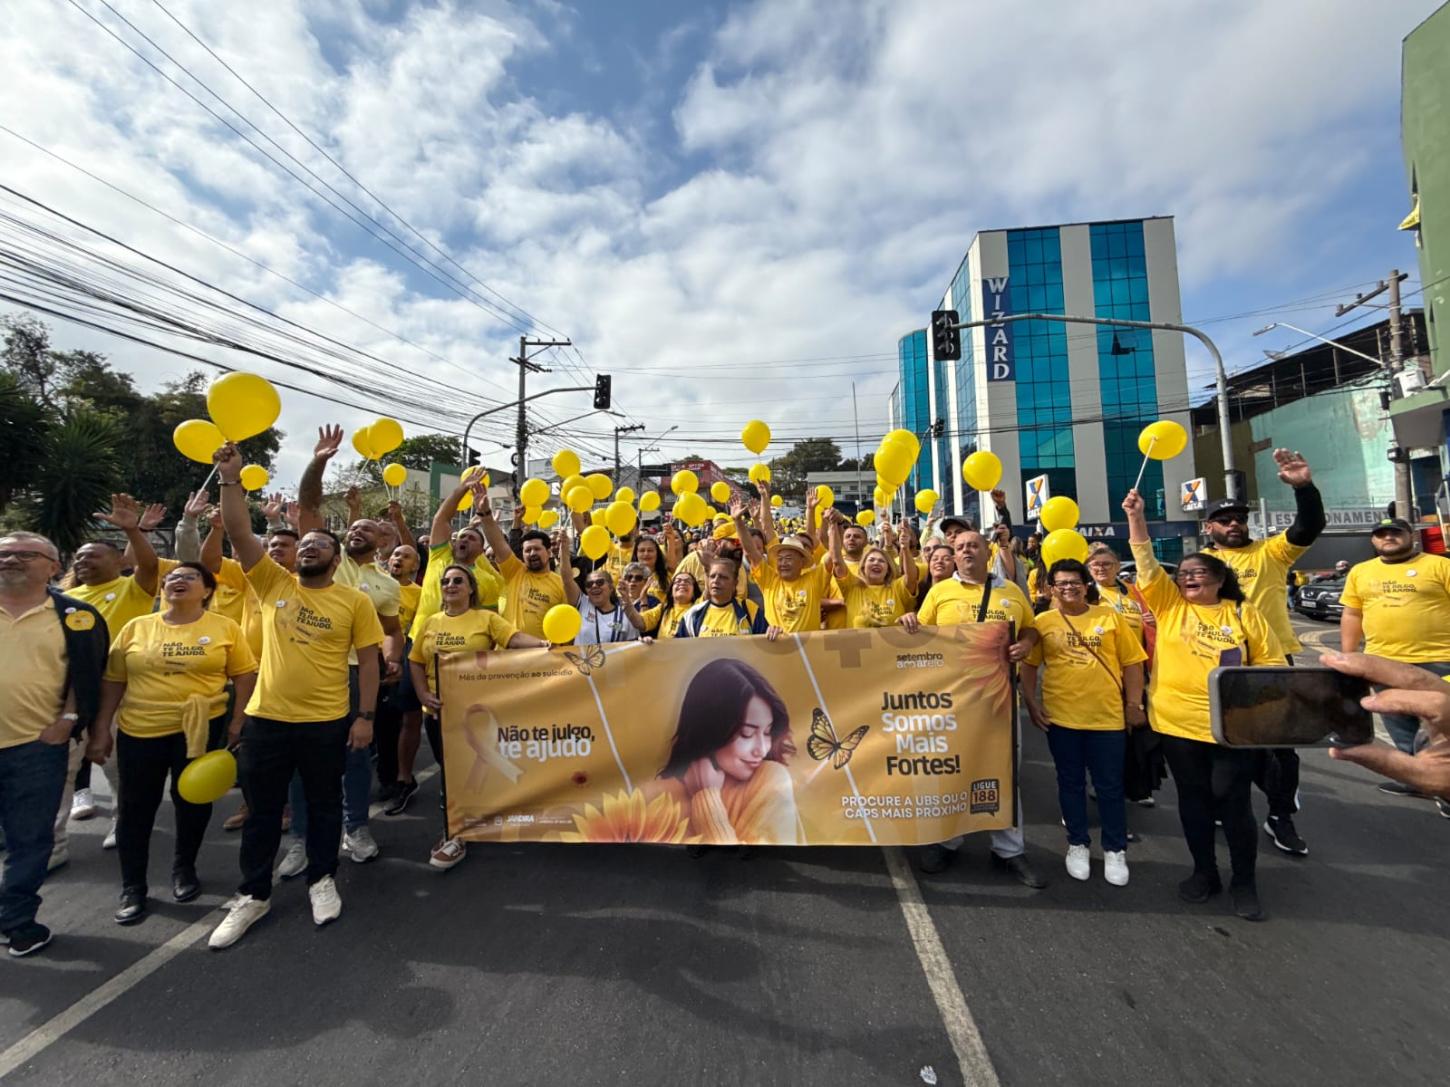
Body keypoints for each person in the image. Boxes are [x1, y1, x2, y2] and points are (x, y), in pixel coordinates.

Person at [207, 444, 385, 950]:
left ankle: (322, 880)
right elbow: (240, 532)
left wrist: (364, 717)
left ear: (334, 556)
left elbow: (369, 662)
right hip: (266, 721)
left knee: (326, 805)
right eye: (301, 544)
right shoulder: (271, 583)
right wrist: (230, 479)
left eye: (317, 544)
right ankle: (252, 894)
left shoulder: (354, 601)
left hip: (327, 722)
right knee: (263, 811)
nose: (306, 548)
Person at [1123, 488, 1285, 922]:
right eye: (1185, 573)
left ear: (1218, 579)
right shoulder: (1170, 606)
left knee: (1231, 802)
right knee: (1193, 802)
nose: (1189, 578)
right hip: (1177, 726)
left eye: (1199, 573)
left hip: (1231, 730)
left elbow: (1269, 666)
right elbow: (1143, 559)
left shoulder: (1243, 615)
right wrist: (1137, 517)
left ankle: (1245, 882)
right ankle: (1204, 872)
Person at [91, 562, 257, 924]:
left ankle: (185, 869)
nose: (178, 581)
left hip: (201, 730)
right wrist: (102, 727)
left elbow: (244, 675)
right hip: (140, 729)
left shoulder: (225, 627)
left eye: (190, 577)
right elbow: (114, 680)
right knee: (135, 810)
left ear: (208, 590)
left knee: (192, 803)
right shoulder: (138, 627)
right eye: (172, 578)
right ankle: (133, 887)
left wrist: (238, 721)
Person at [901, 530, 1044, 887]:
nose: (966, 551)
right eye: (960, 547)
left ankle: (1009, 850)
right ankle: (948, 841)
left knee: (1004, 771)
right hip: (951, 700)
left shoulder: (1011, 591)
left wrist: (1025, 645)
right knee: (952, 770)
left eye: (973, 546)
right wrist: (908, 622)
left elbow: (1032, 630)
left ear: (986, 551)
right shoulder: (939, 591)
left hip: (998, 698)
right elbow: (921, 635)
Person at [1201, 449, 1324, 858]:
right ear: (1209, 526)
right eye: (1224, 519)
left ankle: (1280, 815)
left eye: (1239, 518)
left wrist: (1303, 487)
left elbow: (1309, 526)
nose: (1234, 524)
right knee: (1222, 743)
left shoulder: (1270, 553)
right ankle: (1226, 805)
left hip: (1271, 663)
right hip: (1216, 666)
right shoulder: (1199, 564)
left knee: (1280, 749)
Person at [292, 426, 405, 868]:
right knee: (302, 762)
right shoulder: (326, 563)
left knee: (355, 754)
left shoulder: (387, 583)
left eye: (368, 529)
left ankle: (355, 827)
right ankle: (300, 839)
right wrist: (319, 461)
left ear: (382, 542)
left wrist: (392, 654)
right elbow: (308, 505)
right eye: (352, 527)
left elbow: (392, 628)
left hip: (359, 675)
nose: (358, 531)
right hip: (309, 672)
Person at [1, 531, 108, 957]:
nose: (11, 560)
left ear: (53, 566)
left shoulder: (76, 616)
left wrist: (68, 721)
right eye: (5, 554)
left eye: (26, 554)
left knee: (30, 838)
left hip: (36, 746)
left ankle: (17, 920)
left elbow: (89, 672)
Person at [409, 564, 546, 871]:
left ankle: (475, 824)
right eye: (446, 581)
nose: (450, 584)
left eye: (458, 580)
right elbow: (416, 662)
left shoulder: (486, 619)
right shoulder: (430, 622)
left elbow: (513, 639)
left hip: (475, 715)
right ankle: (454, 832)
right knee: (449, 773)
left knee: (475, 772)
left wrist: (543, 645)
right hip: (437, 712)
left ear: (471, 589)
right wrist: (421, 694)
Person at [1020, 559, 1147, 886]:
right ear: (1051, 588)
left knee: (1109, 786)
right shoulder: (1043, 622)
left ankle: (1115, 848)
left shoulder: (1109, 617)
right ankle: (1077, 843)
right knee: (1070, 782)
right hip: (1062, 718)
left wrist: (1134, 704)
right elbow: (1030, 667)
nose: (1068, 588)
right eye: (1061, 583)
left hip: (1107, 718)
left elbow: (1133, 663)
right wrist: (1031, 702)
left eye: (1075, 582)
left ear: (1086, 585)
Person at [60, 494, 165, 853]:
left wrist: (135, 531)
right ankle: (52, 842)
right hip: (64, 693)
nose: (83, 560)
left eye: (93, 555)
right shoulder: (63, 596)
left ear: (119, 560)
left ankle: (125, 818)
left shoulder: (129, 588)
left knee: (118, 765)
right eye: (80, 557)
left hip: (115, 691)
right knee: (62, 769)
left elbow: (150, 568)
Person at [1339, 517, 1450, 808]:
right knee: (1399, 727)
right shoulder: (1361, 572)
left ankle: (1444, 783)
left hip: (1440, 662)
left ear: (1411, 536)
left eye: (1395, 532)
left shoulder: (1440, 566)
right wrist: (1348, 657)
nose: (1387, 537)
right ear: (1373, 540)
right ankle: (1415, 779)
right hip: (1382, 664)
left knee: (1438, 728)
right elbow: (1352, 615)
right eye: (1381, 533)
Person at [649, 659, 799, 844]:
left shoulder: (770, 779)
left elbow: (753, 869)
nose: (762, 749)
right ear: (711, 729)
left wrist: (707, 799)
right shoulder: (664, 793)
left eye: (768, 732)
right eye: (747, 733)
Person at [1321, 651, 1450, 799]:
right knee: (1402, 728)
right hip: (1382, 656)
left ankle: (1424, 777)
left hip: (1435, 657)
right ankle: (1417, 777)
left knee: (1435, 721)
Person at [473, 490, 564, 642]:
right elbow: (497, 542)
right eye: (527, 550)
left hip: (543, 657)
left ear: (549, 552)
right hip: (509, 656)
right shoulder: (515, 571)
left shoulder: (561, 584)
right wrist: (485, 514)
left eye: (537, 549)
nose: (532, 553)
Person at [828, 512, 918, 628]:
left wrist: (905, 548)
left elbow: (911, 578)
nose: (876, 563)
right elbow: (837, 560)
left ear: (888, 569)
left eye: (881, 561)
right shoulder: (851, 587)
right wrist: (833, 525)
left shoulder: (896, 588)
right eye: (871, 560)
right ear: (863, 566)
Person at [561, 533, 648, 645]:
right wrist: (563, 549)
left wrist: (644, 643)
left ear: (611, 587)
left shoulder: (625, 614)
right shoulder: (583, 603)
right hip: (583, 661)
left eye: (600, 582)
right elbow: (567, 580)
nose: (594, 586)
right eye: (589, 584)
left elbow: (633, 646)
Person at [676, 559, 772, 638]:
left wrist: (773, 632)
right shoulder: (693, 614)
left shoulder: (749, 609)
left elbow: (765, 646)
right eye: (712, 576)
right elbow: (680, 651)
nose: (716, 581)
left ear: (735, 583)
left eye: (723, 577)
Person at [639, 571, 702, 639]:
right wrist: (628, 603)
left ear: (694, 592)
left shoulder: (699, 609)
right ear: (671, 591)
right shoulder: (663, 608)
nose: (682, 583)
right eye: (677, 581)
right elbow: (639, 622)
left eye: (687, 581)